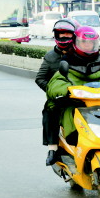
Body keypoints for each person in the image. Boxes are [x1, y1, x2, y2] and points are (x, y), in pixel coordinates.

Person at [45, 26, 100, 165]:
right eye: (84, 43)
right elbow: (55, 83)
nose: (88, 46)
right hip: (77, 105)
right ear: (76, 43)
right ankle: (54, 148)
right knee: (52, 109)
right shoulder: (68, 62)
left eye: (91, 43)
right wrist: (67, 91)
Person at [35, 18, 78, 166]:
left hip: (81, 96)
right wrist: (53, 92)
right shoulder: (50, 56)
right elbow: (40, 78)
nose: (64, 38)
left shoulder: (80, 53)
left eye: (67, 35)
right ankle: (52, 149)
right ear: (56, 36)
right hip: (59, 99)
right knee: (50, 112)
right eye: (61, 35)